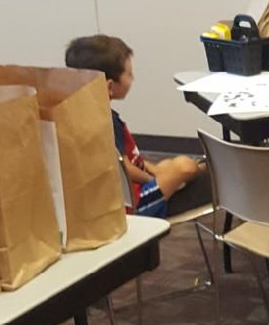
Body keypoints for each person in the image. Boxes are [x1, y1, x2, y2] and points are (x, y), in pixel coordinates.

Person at [65, 34, 206, 218]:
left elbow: (126, 160)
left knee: (167, 165)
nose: (133, 79)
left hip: (120, 194)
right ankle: (203, 170)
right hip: (133, 203)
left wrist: (155, 172)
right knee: (184, 166)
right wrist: (153, 180)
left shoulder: (79, 115)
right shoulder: (105, 120)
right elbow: (123, 168)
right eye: (129, 74)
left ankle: (200, 169)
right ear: (109, 86)